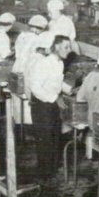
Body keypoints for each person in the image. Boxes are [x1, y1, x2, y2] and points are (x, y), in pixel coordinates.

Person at [28, 35, 73, 180]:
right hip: (41, 105)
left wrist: (70, 90)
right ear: (57, 47)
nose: (69, 50)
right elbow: (35, 88)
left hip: (52, 103)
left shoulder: (59, 63)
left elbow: (56, 83)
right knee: (45, 139)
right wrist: (56, 98)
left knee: (54, 136)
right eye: (66, 47)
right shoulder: (44, 63)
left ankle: (52, 171)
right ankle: (44, 175)